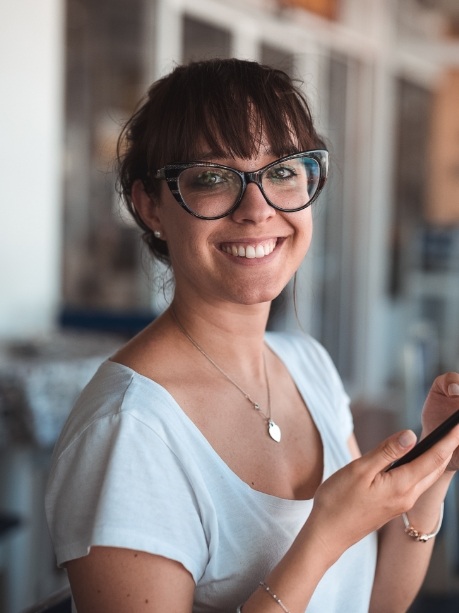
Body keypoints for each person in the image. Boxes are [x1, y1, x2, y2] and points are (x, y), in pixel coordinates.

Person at [45, 58, 459, 613]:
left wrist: (432, 471)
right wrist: (324, 537)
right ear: (149, 206)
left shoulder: (306, 363)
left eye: (284, 171)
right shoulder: (129, 432)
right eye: (212, 178)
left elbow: (377, 602)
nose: (258, 209)